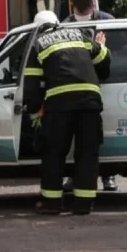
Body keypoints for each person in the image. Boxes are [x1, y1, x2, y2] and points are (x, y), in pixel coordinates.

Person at [24, 14, 111, 215]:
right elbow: (104, 61)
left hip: (59, 105)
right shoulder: (79, 34)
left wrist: (35, 111)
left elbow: (31, 85)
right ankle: (83, 205)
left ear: (38, 28)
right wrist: (102, 46)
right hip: (89, 102)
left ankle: (51, 204)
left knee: (53, 153)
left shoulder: (38, 43)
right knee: (87, 153)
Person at [63, 0, 119, 192]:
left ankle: (104, 175)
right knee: (91, 137)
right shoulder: (104, 21)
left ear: (72, 5)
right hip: (89, 86)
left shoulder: (68, 25)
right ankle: (94, 177)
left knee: (84, 137)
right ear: (93, 4)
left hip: (99, 84)